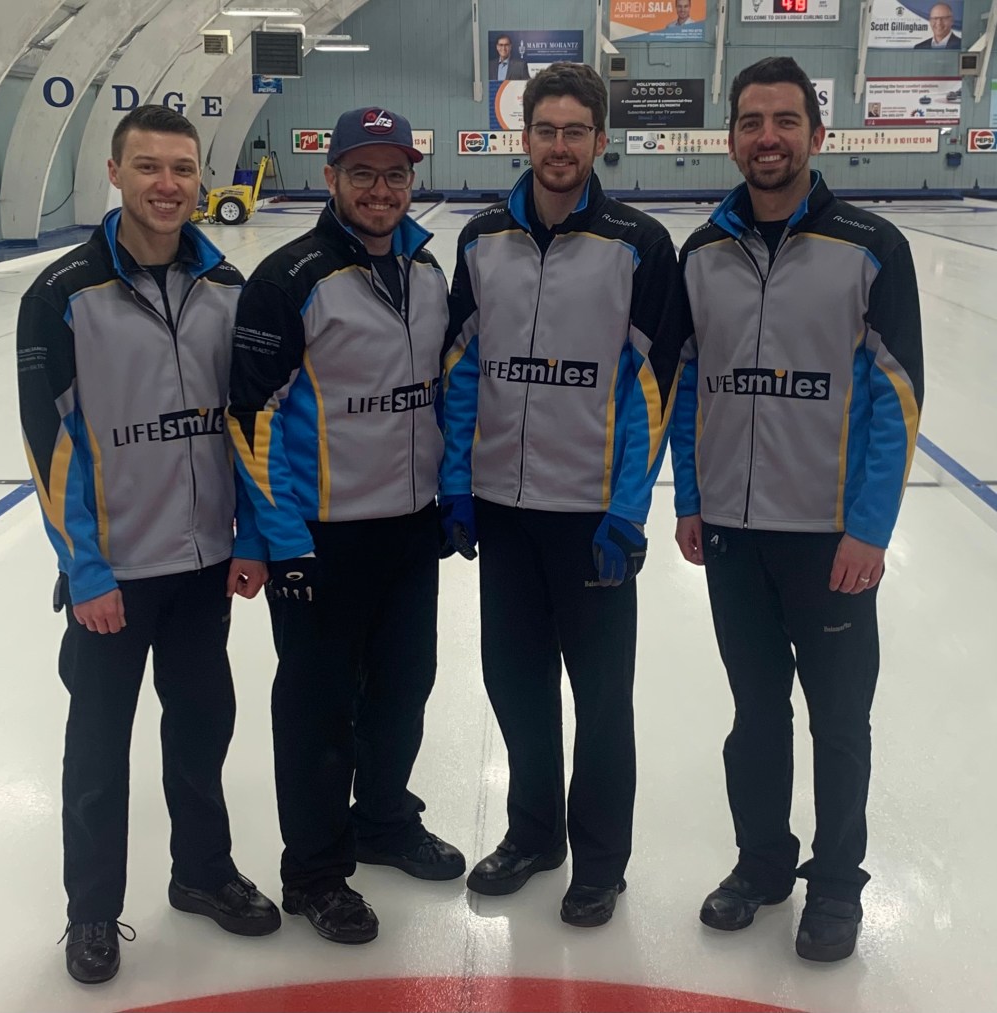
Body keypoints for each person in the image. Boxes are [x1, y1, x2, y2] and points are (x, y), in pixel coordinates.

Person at [16, 105, 280, 986]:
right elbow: (49, 443)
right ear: (115, 173)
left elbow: (245, 422)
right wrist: (85, 567)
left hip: (203, 563)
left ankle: (202, 872)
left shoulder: (226, 286)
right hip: (115, 574)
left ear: (200, 178)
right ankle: (92, 910)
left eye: (182, 168)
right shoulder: (62, 294)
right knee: (98, 750)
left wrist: (251, 533)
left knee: (202, 728)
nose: (167, 184)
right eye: (148, 167)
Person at [670, 57, 923, 963]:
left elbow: (897, 397)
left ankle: (838, 882)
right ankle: (762, 865)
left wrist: (870, 528)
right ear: (731, 138)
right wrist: (692, 498)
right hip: (734, 534)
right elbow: (689, 383)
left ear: (817, 135)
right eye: (751, 121)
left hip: (828, 538)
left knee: (839, 722)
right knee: (755, 714)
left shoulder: (871, 245)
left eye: (785, 121)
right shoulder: (702, 252)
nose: (767, 137)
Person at [441, 62, 689, 928]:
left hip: (591, 516)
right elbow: (462, 368)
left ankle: (601, 863)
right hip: (503, 512)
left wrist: (628, 508)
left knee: (601, 699)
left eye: (574, 131)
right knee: (515, 685)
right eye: (545, 130)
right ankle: (533, 834)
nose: (558, 145)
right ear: (525, 137)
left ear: (599, 140)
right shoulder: (481, 239)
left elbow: (652, 388)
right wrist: (457, 483)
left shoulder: (638, 244)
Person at [227, 106, 463, 946]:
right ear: (330, 178)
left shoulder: (427, 270)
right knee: (318, 711)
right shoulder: (288, 278)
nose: (381, 189)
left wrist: (449, 494)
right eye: (362, 173)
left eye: (396, 174)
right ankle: (316, 873)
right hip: (320, 538)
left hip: (409, 528)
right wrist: (283, 538)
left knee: (403, 690)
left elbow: (441, 392)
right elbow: (251, 417)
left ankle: (384, 819)